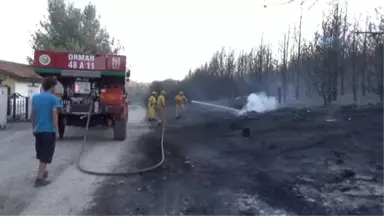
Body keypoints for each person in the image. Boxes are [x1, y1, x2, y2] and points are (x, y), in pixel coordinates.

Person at [30, 77, 62, 188]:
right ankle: (39, 179)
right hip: (49, 131)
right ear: (52, 87)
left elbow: (33, 115)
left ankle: (44, 172)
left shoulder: (35, 98)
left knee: (41, 152)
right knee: (46, 154)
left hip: (38, 130)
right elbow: (54, 116)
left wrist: (33, 128)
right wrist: (57, 131)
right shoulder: (54, 99)